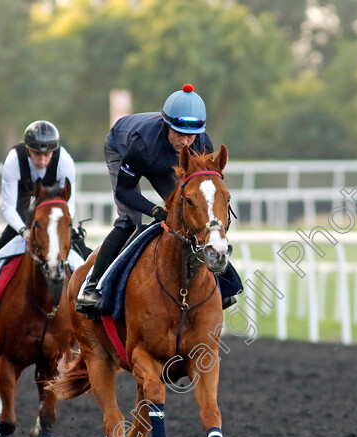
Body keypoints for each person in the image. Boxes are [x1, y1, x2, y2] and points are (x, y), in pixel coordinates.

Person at [75, 84, 242, 313]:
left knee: (190, 216)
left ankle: (222, 282)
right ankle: (92, 286)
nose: (185, 141)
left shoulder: (202, 144)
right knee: (129, 222)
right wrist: (155, 211)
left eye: (190, 135)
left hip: (165, 161)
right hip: (122, 148)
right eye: (179, 133)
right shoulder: (143, 145)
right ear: (166, 126)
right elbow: (125, 191)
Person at [0, 120, 78, 301]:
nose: (43, 160)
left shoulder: (65, 162)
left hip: (54, 200)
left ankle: (90, 282)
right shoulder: (14, 161)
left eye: (48, 154)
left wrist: (62, 225)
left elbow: (70, 204)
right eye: (37, 154)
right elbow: (8, 208)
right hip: (23, 195)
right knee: (12, 232)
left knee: (75, 240)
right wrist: (24, 231)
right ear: (28, 149)